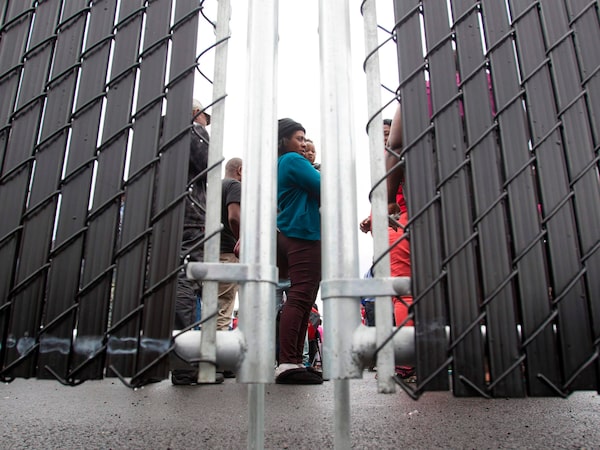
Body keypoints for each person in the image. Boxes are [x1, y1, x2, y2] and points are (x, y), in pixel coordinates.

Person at [171, 99, 224, 385]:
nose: (207, 122)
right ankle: (187, 362)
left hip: (160, 217)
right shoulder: (192, 129)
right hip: (191, 216)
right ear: (195, 113)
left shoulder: (157, 132)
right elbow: (210, 165)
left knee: (167, 284)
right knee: (188, 281)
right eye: (206, 116)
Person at [275, 118, 323, 384]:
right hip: (301, 231)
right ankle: (288, 363)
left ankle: (294, 361)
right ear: (284, 140)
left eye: (305, 139)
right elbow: (325, 187)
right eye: (299, 138)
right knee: (300, 296)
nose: (303, 143)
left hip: (296, 230)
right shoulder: (292, 160)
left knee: (303, 298)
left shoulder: (284, 162)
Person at [217, 157, 242, 331]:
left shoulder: (214, 187)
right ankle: (214, 356)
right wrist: (242, 238)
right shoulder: (234, 186)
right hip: (228, 252)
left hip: (212, 251)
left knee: (212, 308)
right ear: (240, 170)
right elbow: (234, 217)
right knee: (223, 311)